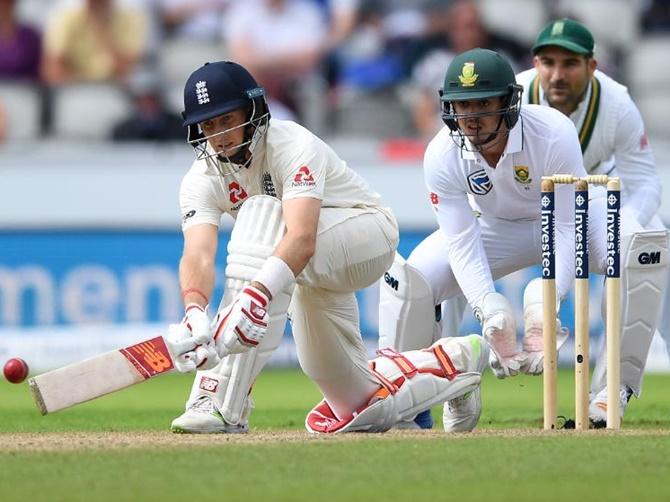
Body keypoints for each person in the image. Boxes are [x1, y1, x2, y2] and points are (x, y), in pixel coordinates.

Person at [162, 60, 488, 434]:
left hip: (366, 234)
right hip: (303, 267)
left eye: (226, 120)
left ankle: (218, 401)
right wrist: (195, 310)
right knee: (354, 400)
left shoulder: (292, 145)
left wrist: (255, 297)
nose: (218, 135)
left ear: (252, 111)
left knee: (262, 212)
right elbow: (199, 254)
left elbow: (301, 237)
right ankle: (457, 361)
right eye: (208, 126)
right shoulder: (200, 179)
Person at [378, 47, 622, 432]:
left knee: (635, 254)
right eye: (462, 106)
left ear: (509, 103)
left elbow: (563, 227)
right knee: (409, 281)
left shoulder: (553, 133)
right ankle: (421, 398)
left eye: (483, 104)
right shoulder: (441, 153)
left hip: (568, 218)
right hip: (495, 226)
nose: (470, 120)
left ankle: (609, 395)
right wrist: (488, 308)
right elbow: (461, 240)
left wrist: (545, 302)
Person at [515, 18, 669, 427]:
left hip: (595, 202)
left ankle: (611, 391)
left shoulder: (616, 102)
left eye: (570, 63)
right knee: (445, 254)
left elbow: (645, 183)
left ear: (592, 66)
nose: (557, 74)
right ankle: (441, 385)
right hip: (525, 207)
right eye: (548, 62)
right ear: (535, 63)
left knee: (647, 243)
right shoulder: (514, 95)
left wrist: (625, 235)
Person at [41, 0, 147, 84]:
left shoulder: (131, 19)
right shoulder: (66, 18)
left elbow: (126, 69)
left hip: (114, 90)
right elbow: (52, 67)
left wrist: (101, 26)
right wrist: (78, 87)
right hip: (74, 91)